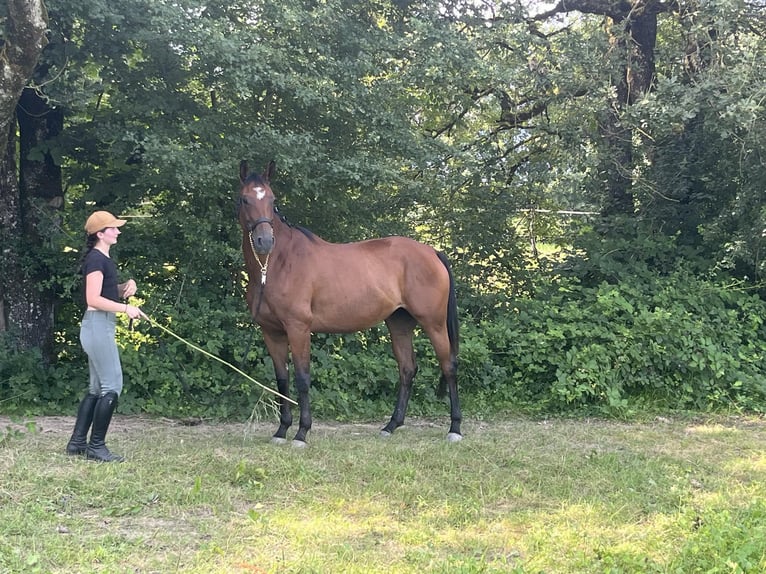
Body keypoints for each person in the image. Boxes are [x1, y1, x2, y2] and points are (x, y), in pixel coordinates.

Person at [66, 211, 146, 462]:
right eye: (113, 228)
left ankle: (78, 443)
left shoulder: (101, 259)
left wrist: (126, 286)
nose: (118, 231)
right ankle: (96, 447)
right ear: (100, 234)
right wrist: (127, 309)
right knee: (113, 386)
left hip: (99, 326)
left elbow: (106, 292)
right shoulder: (96, 260)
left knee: (97, 388)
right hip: (97, 327)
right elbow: (93, 299)